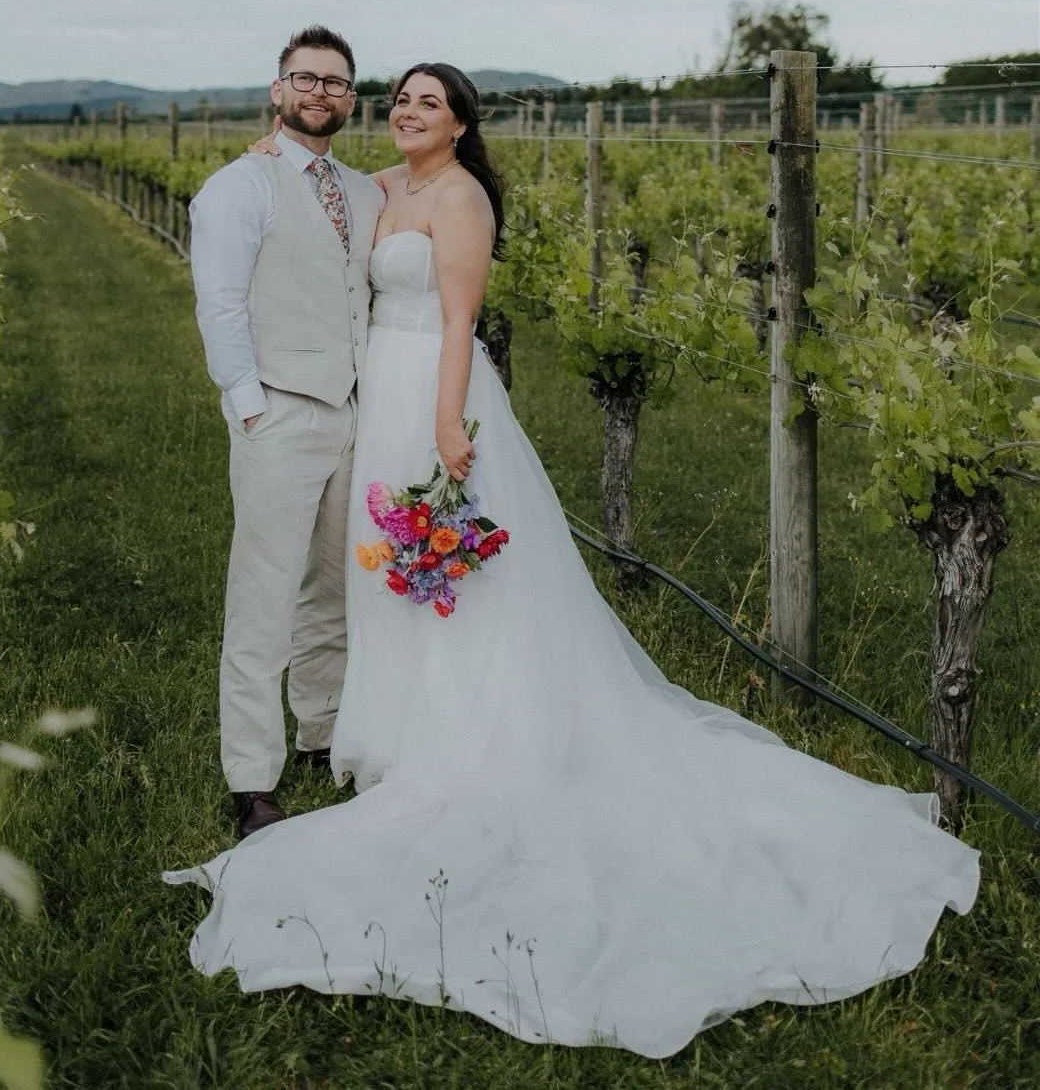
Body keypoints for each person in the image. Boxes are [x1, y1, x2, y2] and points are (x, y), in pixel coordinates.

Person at [167, 64, 979, 1058]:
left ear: (463, 124)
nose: (409, 111)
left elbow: (459, 321)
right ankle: (386, 726)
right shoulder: (381, 185)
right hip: (368, 396)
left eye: (430, 102)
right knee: (388, 577)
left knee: (459, 584)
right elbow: (316, 183)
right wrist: (267, 156)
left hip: (430, 392)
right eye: (404, 98)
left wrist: (446, 429)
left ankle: (456, 733)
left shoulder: (460, 197)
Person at [188, 24, 385, 839]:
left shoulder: (367, 192)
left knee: (336, 586)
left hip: (354, 411)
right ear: (279, 91)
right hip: (279, 408)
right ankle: (250, 777)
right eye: (306, 79)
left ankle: (321, 729)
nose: (321, 93)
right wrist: (248, 402)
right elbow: (221, 301)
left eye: (337, 82)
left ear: (349, 98)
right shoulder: (241, 186)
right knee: (263, 595)